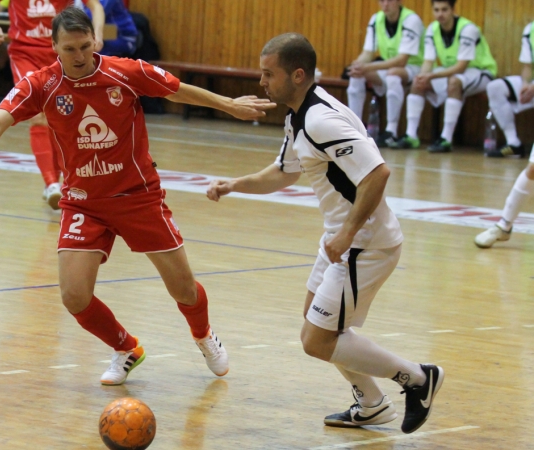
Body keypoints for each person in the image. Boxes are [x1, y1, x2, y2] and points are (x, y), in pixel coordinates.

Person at [0, 7, 276, 385]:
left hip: (137, 196)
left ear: (95, 40)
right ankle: (126, 348)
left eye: (84, 46)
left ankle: (204, 335)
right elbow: (1, 117)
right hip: (82, 201)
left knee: (184, 289)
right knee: (74, 297)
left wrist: (228, 105)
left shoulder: (124, 72)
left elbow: (177, 89)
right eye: (69, 49)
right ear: (54, 46)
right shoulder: (41, 84)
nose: (78, 56)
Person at [207, 33, 444, 434]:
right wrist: (235, 184)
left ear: (298, 75)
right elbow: (284, 171)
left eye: (269, 74)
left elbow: (377, 173)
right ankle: (371, 404)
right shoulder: (299, 115)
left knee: (317, 340)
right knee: (316, 321)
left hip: (364, 244)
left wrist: (348, 233)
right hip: (344, 238)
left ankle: (418, 378)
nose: (262, 83)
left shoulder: (320, 120)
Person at [0, 0, 106, 210]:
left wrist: (97, 34)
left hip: (61, 55)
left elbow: (96, 6)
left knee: (59, 119)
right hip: (25, 53)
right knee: (38, 115)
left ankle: (59, 182)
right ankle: (51, 184)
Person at [391, 0, 497, 153]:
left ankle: (446, 138)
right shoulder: (432, 30)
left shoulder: (468, 29)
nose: (440, 14)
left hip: (481, 72)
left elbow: (461, 66)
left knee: (454, 82)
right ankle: (411, 135)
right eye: (436, 10)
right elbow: (428, 61)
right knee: (417, 83)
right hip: (452, 71)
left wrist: (432, 76)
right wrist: (422, 76)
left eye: (444, 10)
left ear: (453, 9)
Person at [346, 0, 424, 148]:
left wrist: (367, 67)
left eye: (390, 0)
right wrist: (357, 65)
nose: (386, 4)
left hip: (413, 67)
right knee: (357, 75)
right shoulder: (376, 19)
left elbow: (402, 60)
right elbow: (368, 53)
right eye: (382, 0)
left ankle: (391, 131)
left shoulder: (411, 20)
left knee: (393, 75)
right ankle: (354, 127)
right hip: (387, 66)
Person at [484, 21, 534, 158]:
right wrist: (525, 84)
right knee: (495, 88)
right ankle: (513, 143)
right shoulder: (531, 30)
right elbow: (528, 67)